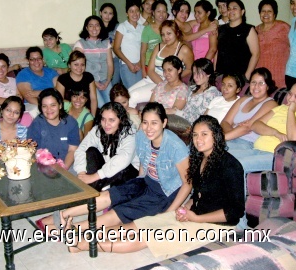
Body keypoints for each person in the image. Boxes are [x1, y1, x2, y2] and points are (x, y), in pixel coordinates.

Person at [64, 115, 245, 254]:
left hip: (215, 226)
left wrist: (195, 218)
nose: (198, 139)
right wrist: (184, 208)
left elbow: (234, 212)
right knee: (137, 226)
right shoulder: (200, 159)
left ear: (217, 136)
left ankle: (82, 245)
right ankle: (84, 234)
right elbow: (198, 194)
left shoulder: (231, 166)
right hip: (193, 214)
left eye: (205, 134)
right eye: (196, 135)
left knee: (147, 237)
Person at [35, 103, 190, 236]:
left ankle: (72, 229)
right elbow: (144, 162)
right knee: (107, 195)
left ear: (164, 122)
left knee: (121, 212)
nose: (148, 128)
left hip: (164, 192)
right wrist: (136, 185)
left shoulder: (175, 146)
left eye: (154, 123)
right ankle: (59, 215)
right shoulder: (142, 135)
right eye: (145, 122)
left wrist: (170, 211)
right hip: (145, 181)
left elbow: (187, 184)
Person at [231, 79, 296, 175]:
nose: (290, 99)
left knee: (235, 166)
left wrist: (291, 112)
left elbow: (295, 138)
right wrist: (275, 133)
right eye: (290, 94)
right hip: (255, 148)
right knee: (222, 158)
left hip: (275, 157)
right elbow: (255, 125)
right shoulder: (281, 108)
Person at [72, 102, 140, 191]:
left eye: (111, 120)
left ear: (121, 120)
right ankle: (93, 187)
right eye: (103, 119)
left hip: (126, 172)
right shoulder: (98, 130)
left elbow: (124, 158)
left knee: (124, 168)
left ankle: (91, 190)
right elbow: (81, 149)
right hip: (105, 169)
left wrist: (95, 176)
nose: (106, 124)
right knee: (91, 151)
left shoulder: (130, 133)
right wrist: (81, 173)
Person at [129, 20, 194, 107]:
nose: (166, 37)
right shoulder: (159, 46)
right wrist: (162, 83)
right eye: (163, 34)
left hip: (168, 83)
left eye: (169, 33)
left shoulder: (184, 49)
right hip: (152, 79)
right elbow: (150, 70)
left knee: (133, 96)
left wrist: (171, 79)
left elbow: (190, 69)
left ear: (176, 33)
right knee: (126, 94)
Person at [222, 68, 278, 149]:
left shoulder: (270, 104)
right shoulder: (243, 99)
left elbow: (248, 127)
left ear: (268, 86)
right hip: (230, 139)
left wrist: (219, 139)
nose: (256, 87)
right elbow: (225, 122)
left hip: (246, 143)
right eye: (253, 82)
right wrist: (232, 134)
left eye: (261, 83)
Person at [27, 88, 80, 171]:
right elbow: (31, 150)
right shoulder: (37, 123)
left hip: (67, 165)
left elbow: (72, 150)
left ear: (60, 105)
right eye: (44, 106)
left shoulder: (71, 123)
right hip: (43, 167)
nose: (49, 109)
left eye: (53, 105)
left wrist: (63, 169)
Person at [73, 15, 113, 107]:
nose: (94, 28)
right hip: (88, 81)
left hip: (105, 79)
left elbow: (110, 64)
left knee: (111, 104)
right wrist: (94, 82)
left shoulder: (106, 43)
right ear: (86, 28)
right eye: (91, 25)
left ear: (100, 27)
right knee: (101, 105)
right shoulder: (80, 44)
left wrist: (108, 80)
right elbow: (79, 68)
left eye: (97, 25)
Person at [216, 0, 260, 82]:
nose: (231, 11)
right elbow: (217, 52)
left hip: (239, 77)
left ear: (242, 12)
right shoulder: (221, 29)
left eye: (235, 8)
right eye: (229, 9)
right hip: (221, 75)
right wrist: (215, 72)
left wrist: (247, 76)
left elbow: (256, 54)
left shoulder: (248, 29)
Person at [169, 58, 221, 123]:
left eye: (198, 73)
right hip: (179, 120)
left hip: (193, 125)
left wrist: (176, 112)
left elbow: (200, 118)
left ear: (208, 74)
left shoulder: (212, 94)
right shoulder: (191, 88)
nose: (195, 77)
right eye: (194, 73)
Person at [255, 0, 290, 88]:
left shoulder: (284, 27)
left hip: (279, 75)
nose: (266, 14)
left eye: (269, 11)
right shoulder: (255, 30)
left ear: (274, 13)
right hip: (261, 75)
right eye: (263, 11)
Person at [16, 46, 59, 117]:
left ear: (42, 59)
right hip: (34, 105)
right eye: (32, 59)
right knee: (37, 110)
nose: (36, 62)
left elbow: (58, 91)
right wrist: (46, 106)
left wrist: (39, 92)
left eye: (39, 58)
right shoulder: (23, 74)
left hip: (54, 103)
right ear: (28, 60)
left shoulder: (51, 72)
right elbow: (29, 97)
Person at [56, 51, 98, 116]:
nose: (79, 67)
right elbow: (59, 101)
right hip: (69, 111)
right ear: (69, 65)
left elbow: (93, 99)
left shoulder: (89, 77)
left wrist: (92, 117)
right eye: (76, 64)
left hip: (87, 111)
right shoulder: (62, 79)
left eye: (82, 64)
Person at [113, 2, 144, 88]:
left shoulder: (143, 28)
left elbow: (144, 48)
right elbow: (116, 48)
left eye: (137, 11)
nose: (135, 14)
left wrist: (140, 63)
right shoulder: (122, 27)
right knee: (131, 92)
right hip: (126, 65)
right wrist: (129, 64)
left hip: (140, 64)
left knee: (140, 91)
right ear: (127, 13)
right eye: (131, 11)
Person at [140, 0, 168, 77]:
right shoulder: (147, 29)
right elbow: (143, 52)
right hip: (149, 67)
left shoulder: (170, 29)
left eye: (164, 11)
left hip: (166, 68)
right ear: (153, 12)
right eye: (158, 11)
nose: (161, 14)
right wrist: (143, 70)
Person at [99, 3, 121, 86]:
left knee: (114, 83)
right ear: (100, 13)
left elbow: (116, 44)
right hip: (100, 59)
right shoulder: (96, 26)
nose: (107, 16)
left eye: (110, 13)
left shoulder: (117, 27)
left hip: (114, 58)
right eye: (105, 12)